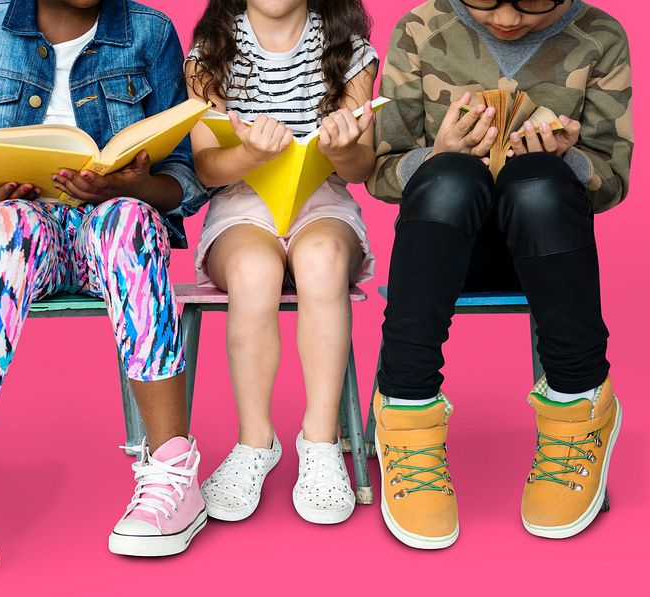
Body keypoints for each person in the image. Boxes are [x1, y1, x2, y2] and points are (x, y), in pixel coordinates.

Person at [0, 0, 209, 572]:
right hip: (22, 235)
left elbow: (186, 178)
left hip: (111, 234)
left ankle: (174, 470)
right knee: (6, 225)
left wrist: (136, 188)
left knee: (129, 220)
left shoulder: (150, 34)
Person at [367, 0, 631, 549]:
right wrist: (436, 154)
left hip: (547, 251)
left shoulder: (600, 35)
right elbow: (381, 172)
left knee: (536, 180)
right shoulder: (422, 28)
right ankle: (407, 411)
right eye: (486, 1)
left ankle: (580, 405)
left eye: (531, 2)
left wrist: (570, 158)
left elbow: (612, 181)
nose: (508, 18)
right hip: (439, 248)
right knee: (450, 178)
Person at [184, 0, 377, 525]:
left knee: (320, 261)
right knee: (254, 273)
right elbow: (206, 168)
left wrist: (342, 148)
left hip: (324, 201)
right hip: (242, 204)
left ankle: (320, 441)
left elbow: (363, 167)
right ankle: (255, 442)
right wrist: (250, 155)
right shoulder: (210, 53)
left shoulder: (351, 51)